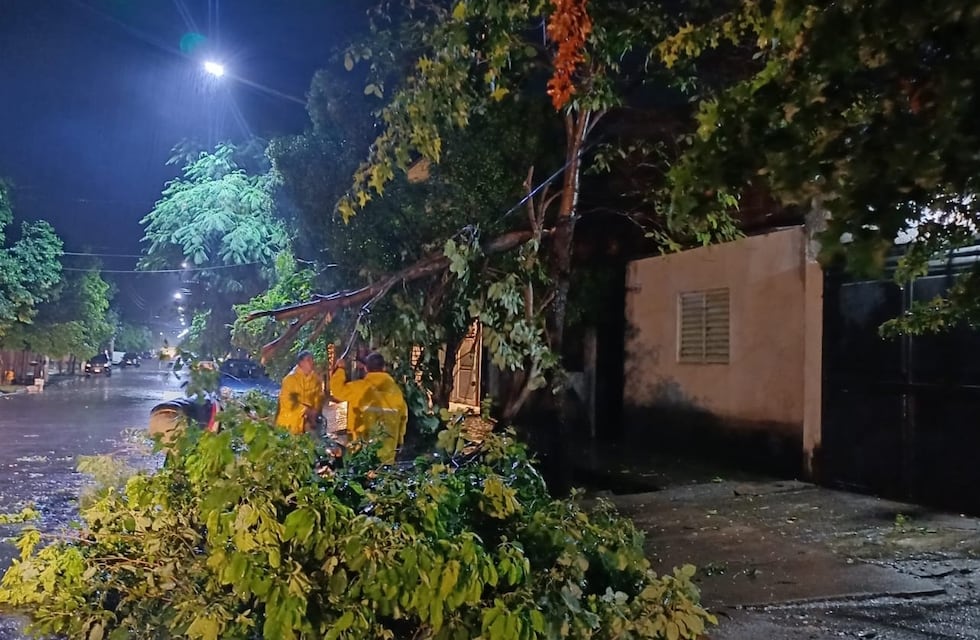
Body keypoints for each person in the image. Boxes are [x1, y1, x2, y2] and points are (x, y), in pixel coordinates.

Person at [329, 352, 407, 464]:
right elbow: (403, 418)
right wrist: (399, 441)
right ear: (384, 368)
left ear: (366, 368)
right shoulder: (396, 391)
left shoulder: (359, 388)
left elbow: (337, 390)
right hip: (387, 453)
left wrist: (340, 369)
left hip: (361, 453)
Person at [276, 350, 324, 435]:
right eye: (308, 360)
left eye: (312, 359)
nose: (312, 362)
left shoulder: (316, 379)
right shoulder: (290, 379)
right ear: (301, 363)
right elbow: (287, 401)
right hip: (289, 423)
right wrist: (306, 410)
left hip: (305, 424)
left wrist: (315, 413)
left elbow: (318, 398)